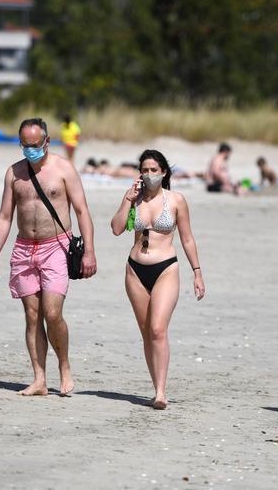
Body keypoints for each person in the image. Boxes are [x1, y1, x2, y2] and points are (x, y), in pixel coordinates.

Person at [0, 118, 97, 396]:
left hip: (56, 246)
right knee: (32, 316)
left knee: (52, 312)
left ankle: (65, 366)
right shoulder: (14, 173)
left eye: (34, 145)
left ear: (46, 141)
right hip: (24, 248)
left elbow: (82, 211)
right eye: (24, 145)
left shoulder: (63, 169)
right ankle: (39, 379)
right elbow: (4, 217)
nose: (29, 150)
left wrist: (90, 253)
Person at [110, 150, 205, 409]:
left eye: (154, 170)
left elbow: (187, 237)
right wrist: (126, 201)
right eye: (145, 170)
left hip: (165, 268)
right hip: (135, 270)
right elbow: (117, 228)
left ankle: (162, 392)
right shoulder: (134, 198)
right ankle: (155, 386)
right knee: (145, 332)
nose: (149, 174)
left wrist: (197, 271)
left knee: (157, 329)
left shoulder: (175, 200)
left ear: (164, 172)